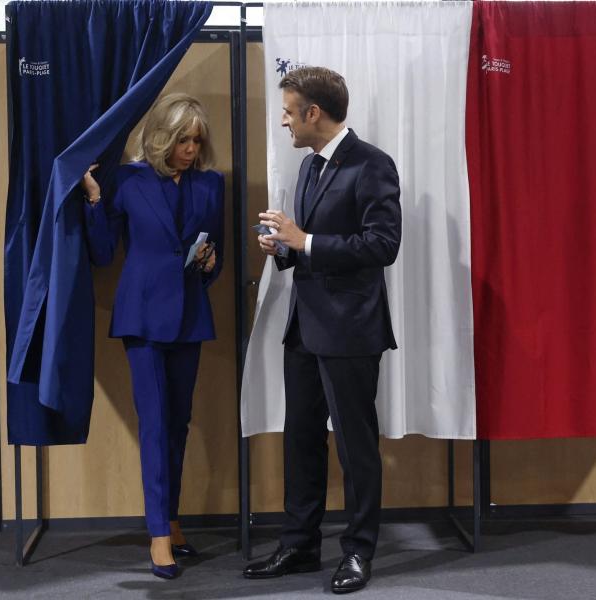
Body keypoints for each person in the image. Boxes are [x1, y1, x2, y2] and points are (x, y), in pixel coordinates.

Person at [243, 66, 401, 593]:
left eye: (289, 112)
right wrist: (284, 248)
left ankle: (358, 553)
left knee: (356, 447)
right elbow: (308, 243)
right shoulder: (309, 167)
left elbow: (383, 246)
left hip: (352, 331)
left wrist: (304, 240)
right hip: (304, 328)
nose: (284, 123)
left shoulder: (373, 164)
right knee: (302, 441)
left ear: (314, 112)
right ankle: (299, 546)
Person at [80, 93, 225, 580]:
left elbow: (216, 256)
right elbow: (102, 253)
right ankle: (157, 535)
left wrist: (210, 263)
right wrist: (96, 199)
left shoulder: (211, 184)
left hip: (189, 316)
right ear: (162, 137)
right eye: (182, 139)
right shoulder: (128, 179)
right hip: (142, 317)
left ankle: (174, 521)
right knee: (156, 425)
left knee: (179, 423)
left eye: (196, 140)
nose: (190, 148)